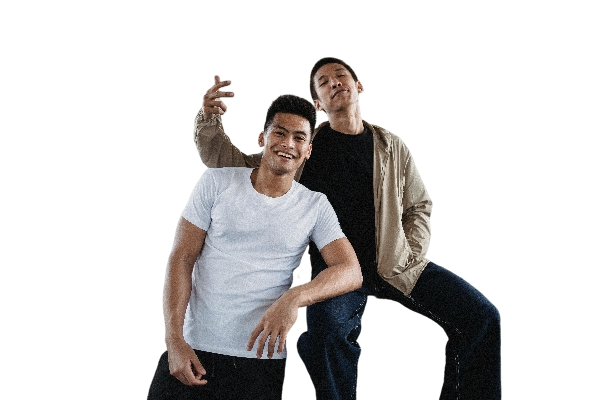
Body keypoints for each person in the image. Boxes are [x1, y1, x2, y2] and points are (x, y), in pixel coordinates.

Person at [192, 58, 505, 400]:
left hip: (397, 265)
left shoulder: (392, 144)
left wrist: (410, 254)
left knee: (485, 316)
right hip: (337, 272)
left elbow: (419, 205)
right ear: (318, 104)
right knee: (324, 336)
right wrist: (209, 118)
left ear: (359, 86)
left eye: (340, 76)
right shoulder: (304, 148)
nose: (334, 82)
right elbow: (230, 160)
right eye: (324, 82)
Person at [146, 92, 363, 400]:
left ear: (308, 150)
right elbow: (181, 258)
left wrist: (294, 299)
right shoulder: (215, 183)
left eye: (299, 138)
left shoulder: (314, 206)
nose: (288, 144)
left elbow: (351, 271)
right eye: (280, 133)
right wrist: (174, 341)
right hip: (194, 348)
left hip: (261, 360)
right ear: (262, 138)